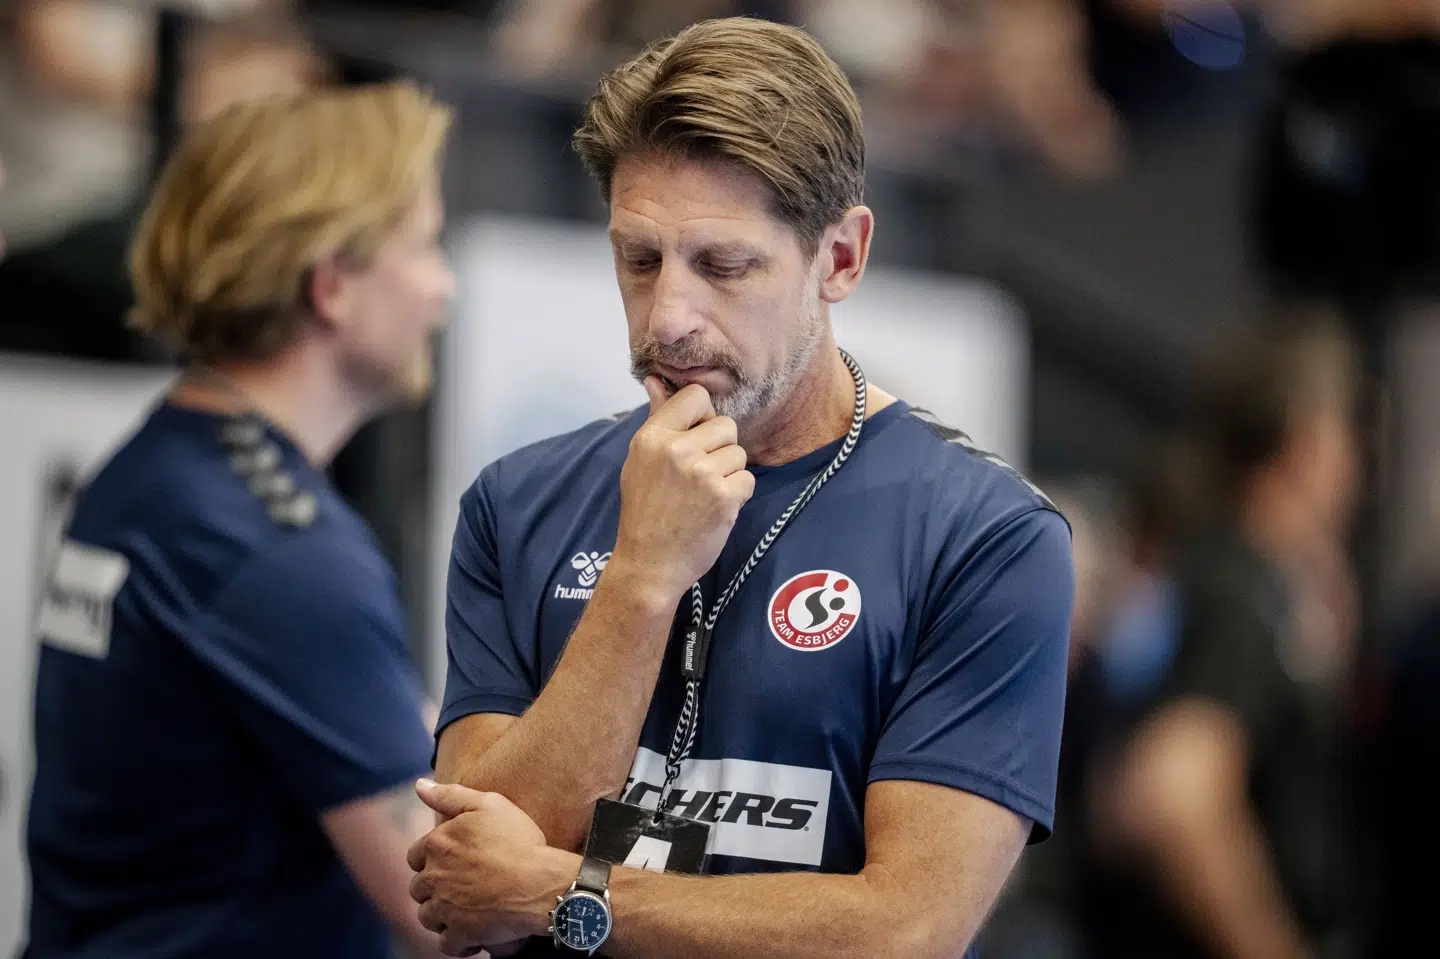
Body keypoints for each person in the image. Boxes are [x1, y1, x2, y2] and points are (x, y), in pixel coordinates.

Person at [408, 17, 1074, 958]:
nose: (668, 316)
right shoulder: (518, 502)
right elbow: (471, 876)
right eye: (638, 260)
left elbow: (907, 931)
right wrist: (641, 579)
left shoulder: (986, 536)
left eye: (723, 266)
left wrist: (565, 892)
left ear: (840, 257)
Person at [25, 81, 455, 959]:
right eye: (424, 247)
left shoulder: (158, 468)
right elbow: (450, 912)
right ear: (332, 285)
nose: (443, 289)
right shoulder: (275, 548)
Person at [1089, 321, 1360, 959]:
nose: (1359, 462)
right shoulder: (1241, 594)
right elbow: (1173, 795)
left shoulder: (1214, 570)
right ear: (1308, 437)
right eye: (1352, 434)